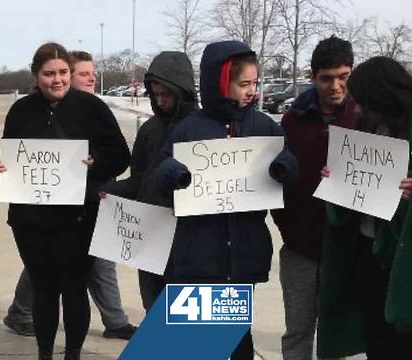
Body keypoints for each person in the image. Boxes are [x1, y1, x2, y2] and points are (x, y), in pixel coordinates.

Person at [144, 41, 298, 360]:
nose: (252, 91)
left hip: (243, 256)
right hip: (198, 255)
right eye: (244, 84)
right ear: (221, 82)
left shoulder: (263, 126)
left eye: (255, 83)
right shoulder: (188, 128)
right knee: (200, 345)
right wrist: (173, 171)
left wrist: (282, 168)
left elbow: (292, 166)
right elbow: (156, 180)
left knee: (238, 335)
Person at [0, 42, 130, 360]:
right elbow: (7, 161)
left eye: (63, 72)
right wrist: (1, 168)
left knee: (73, 288)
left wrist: (95, 160)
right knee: (43, 290)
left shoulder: (92, 108)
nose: (57, 79)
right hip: (31, 220)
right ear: (36, 75)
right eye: (49, 73)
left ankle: (72, 353)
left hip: (79, 218)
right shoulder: (21, 111)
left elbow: (121, 156)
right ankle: (44, 352)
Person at [317, 56, 412, 359]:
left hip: (401, 261)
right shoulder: (366, 127)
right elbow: (348, 202)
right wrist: (336, 181)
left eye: (362, 100)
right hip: (368, 254)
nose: (355, 107)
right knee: (376, 339)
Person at [271, 35, 355, 360]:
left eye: (343, 77)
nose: (335, 85)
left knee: (337, 336)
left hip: (347, 248)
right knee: (297, 332)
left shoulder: (365, 116)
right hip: (300, 249)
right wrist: (288, 226)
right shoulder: (293, 119)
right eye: (327, 78)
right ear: (313, 77)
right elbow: (276, 175)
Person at [103, 50, 198, 311]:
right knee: (154, 307)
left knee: (185, 316)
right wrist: (113, 190)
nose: (161, 100)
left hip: (190, 238)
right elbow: (140, 180)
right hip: (151, 233)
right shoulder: (149, 129)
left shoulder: (201, 127)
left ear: (182, 90)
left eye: (166, 94)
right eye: (155, 95)